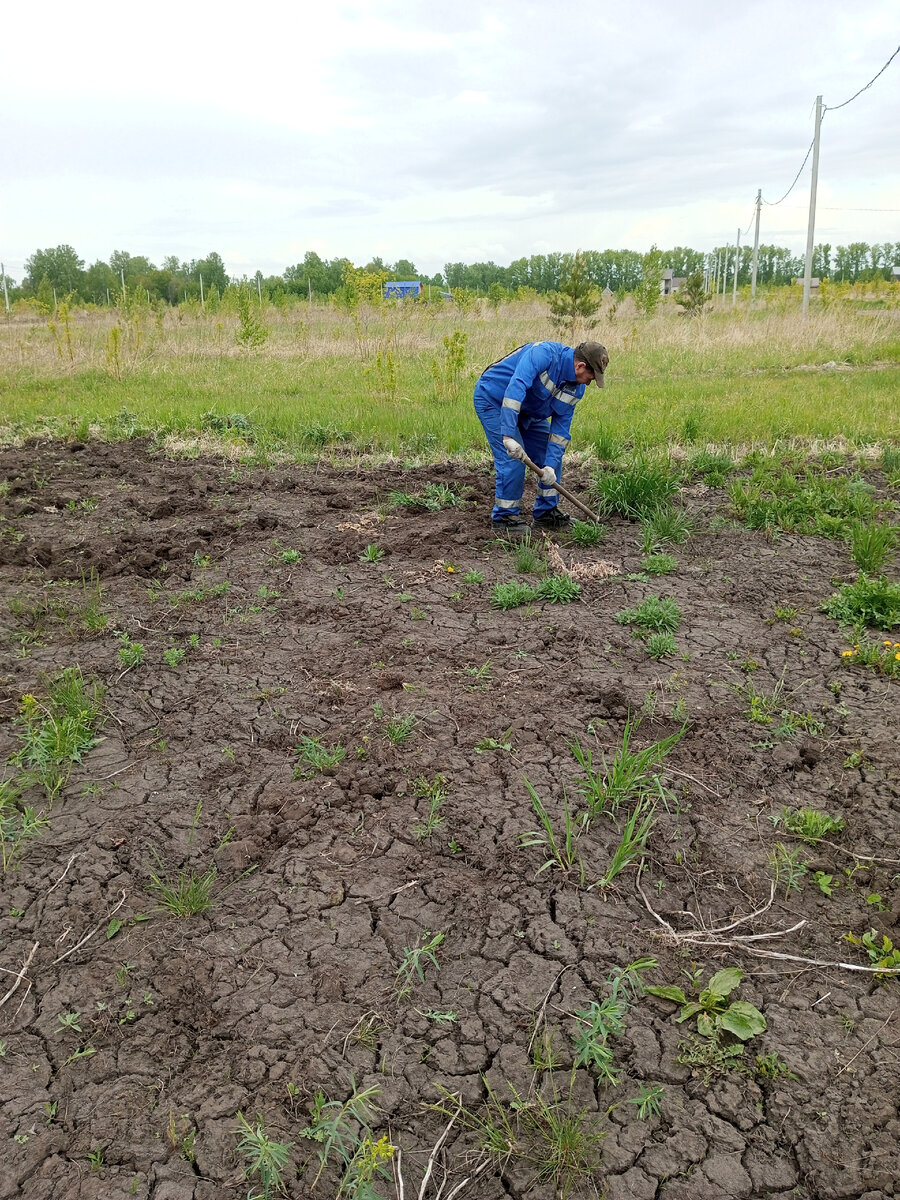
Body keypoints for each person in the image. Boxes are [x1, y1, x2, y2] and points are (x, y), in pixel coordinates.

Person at [473, 340, 609, 537]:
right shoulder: (543, 355)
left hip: (528, 412)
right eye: (591, 376)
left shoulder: (577, 389)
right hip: (494, 399)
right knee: (513, 460)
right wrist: (508, 435)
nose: (590, 382)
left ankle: (546, 514)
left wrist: (551, 466)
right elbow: (516, 388)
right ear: (580, 366)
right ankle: (504, 518)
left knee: (549, 453)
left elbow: (560, 432)